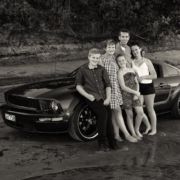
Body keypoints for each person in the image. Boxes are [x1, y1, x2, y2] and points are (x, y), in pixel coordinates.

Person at [76, 48, 118, 152]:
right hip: (92, 97)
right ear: (89, 57)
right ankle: (102, 144)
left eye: (97, 58)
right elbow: (78, 86)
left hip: (104, 97)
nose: (95, 60)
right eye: (93, 57)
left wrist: (108, 98)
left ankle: (113, 143)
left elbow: (108, 85)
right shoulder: (83, 69)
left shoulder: (102, 69)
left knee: (108, 118)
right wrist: (87, 95)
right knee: (103, 114)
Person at [100, 39, 137, 143]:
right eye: (109, 47)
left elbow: (123, 67)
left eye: (112, 47)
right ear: (104, 48)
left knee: (114, 113)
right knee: (118, 111)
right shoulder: (102, 59)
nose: (111, 49)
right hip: (109, 88)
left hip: (117, 88)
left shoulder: (114, 58)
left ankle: (116, 135)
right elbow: (101, 76)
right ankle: (127, 134)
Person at [116, 54, 150, 139]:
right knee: (130, 115)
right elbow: (123, 87)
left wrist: (136, 93)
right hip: (126, 95)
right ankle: (133, 133)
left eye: (123, 60)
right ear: (117, 63)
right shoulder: (119, 72)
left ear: (125, 60)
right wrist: (135, 92)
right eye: (119, 61)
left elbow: (137, 82)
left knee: (140, 113)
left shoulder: (132, 70)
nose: (121, 62)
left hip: (135, 94)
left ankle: (136, 129)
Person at [131, 43, 157, 135]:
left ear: (140, 49)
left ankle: (153, 130)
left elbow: (154, 75)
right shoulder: (132, 62)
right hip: (138, 88)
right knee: (139, 110)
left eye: (136, 49)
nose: (134, 52)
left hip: (148, 87)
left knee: (150, 109)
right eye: (133, 50)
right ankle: (146, 126)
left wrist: (143, 77)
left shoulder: (147, 61)